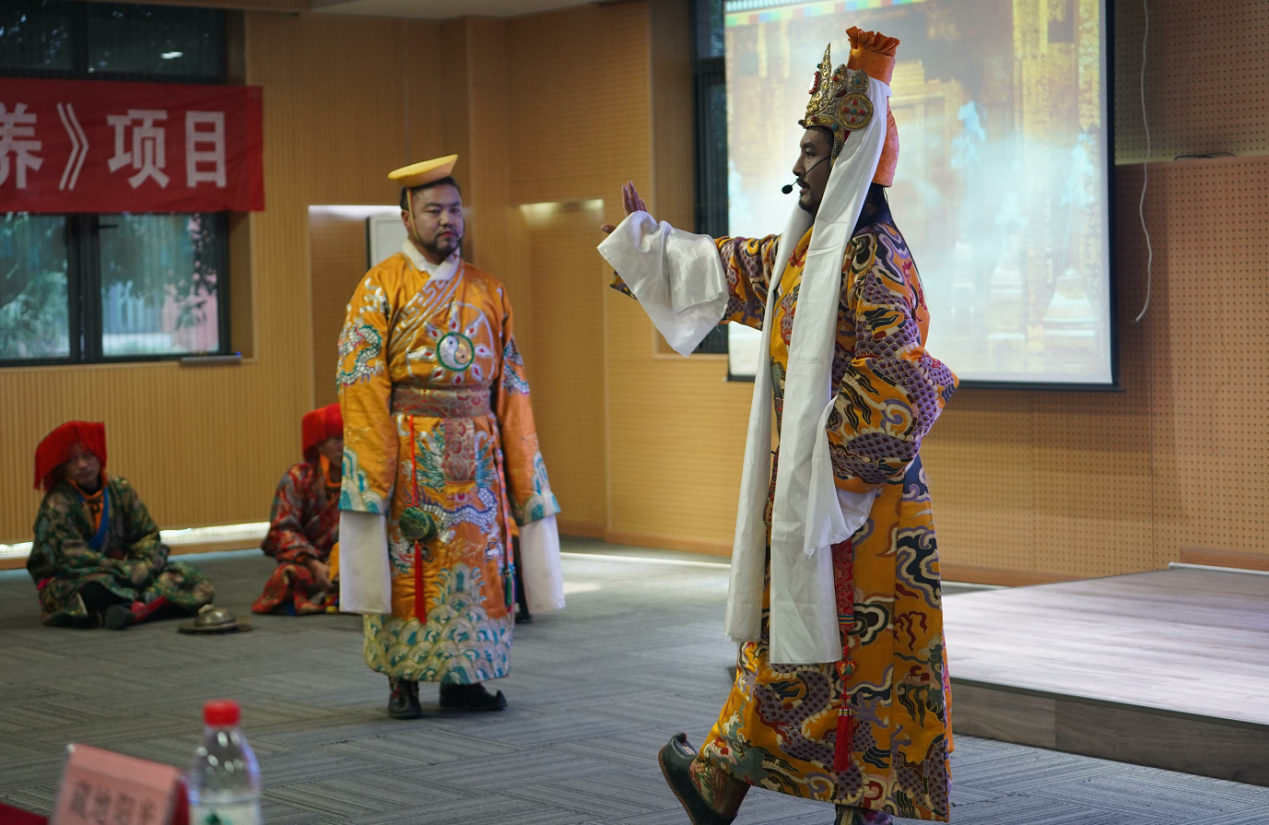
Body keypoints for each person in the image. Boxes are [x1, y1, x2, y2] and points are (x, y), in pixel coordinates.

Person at [599, 28, 957, 825]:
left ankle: (741, 784)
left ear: (850, 160)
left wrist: (831, 480)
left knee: (853, 653)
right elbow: (733, 269)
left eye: (812, 150)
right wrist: (648, 247)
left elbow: (899, 385)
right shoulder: (810, 252)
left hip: (860, 503)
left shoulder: (872, 259)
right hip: (813, 491)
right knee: (802, 649)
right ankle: (749, 784)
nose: (798, 164)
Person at [337, 155, 565, 720]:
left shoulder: (489, 289)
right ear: (406, 218)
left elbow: (511, 382)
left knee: (480, 562)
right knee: (410, 562)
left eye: (455, 209)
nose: (447, 220)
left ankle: (467, 677)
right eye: (433, 210)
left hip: (478, 454)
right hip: (410, 453)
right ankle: (404, 680)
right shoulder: (378, 287)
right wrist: (373, 470)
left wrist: (522, 468)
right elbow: (361, 381)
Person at [27, 421, 215, 630]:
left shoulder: (121, 489)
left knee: (190, 577)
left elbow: (147, 535)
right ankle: (147, 603)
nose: (82, 465)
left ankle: (129, 608)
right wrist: (127, 572)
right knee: (93, 592)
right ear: (62, 467)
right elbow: (73, 558)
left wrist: (144, 566)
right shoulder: (58, 503)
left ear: (99, 455)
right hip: (80, 578)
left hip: (125, 574)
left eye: (88, 455)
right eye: (72, 460)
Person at [252, 403, 343, 616]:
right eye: (336, 439)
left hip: (352, 563)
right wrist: (313, 564)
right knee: (288, 574)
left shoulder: (364, 478)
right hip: (311, 563)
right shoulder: (299, 477)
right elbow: (282, 529)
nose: (344, 445)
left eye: (349, 437)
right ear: (319, 444)